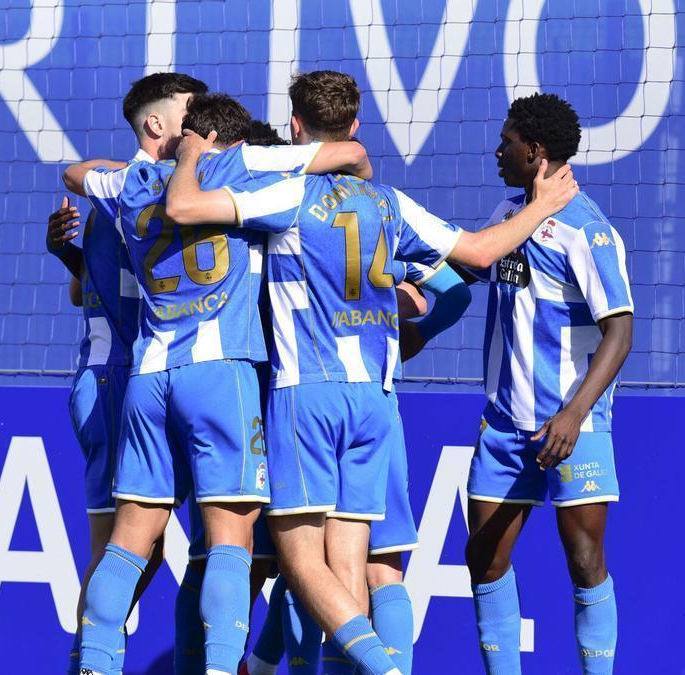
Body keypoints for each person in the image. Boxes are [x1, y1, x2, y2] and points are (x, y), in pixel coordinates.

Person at [169, 70, 577, 675]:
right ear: (355, 126)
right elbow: (482, 256)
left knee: (299, 558)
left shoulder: (287, 197)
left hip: (307, 392)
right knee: (353, 564)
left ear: (295, 128)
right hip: (374, 399)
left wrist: (191, 151)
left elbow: (183, 206)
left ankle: (382, 668)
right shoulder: (390, 202)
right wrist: (541, 207)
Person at [63, 91, 372, 675]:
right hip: (224, 373)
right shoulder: (239, 168)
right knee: (229, 542)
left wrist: (165, 161)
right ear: (233, 141)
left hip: (149, 375)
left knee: (129, 542)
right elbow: (348, 154)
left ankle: (94, 664)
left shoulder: (128, 184)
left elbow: (74, 173)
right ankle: (224, 667)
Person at [46, 71, 209, 674]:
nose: (202, 128)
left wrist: (71, 258)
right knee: (118, 547)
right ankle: (89, 664)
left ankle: (88, 659)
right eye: (191, 117)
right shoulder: (145, 188)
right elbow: (77, 172)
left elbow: (85, 290)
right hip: (115, 376)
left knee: (138, 545)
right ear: (158, 125)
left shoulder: (123, 195)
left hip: (119, 375)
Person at [463, 93, 632, 675]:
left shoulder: (588, 230)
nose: (497, 150)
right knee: (484, 561)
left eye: (506, 141)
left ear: (535, 151)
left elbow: (620, 332)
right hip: (506, 427)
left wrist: (575, 414)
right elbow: (465, 272)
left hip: (570, 427)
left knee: (585, 562)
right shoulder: (508, 218)